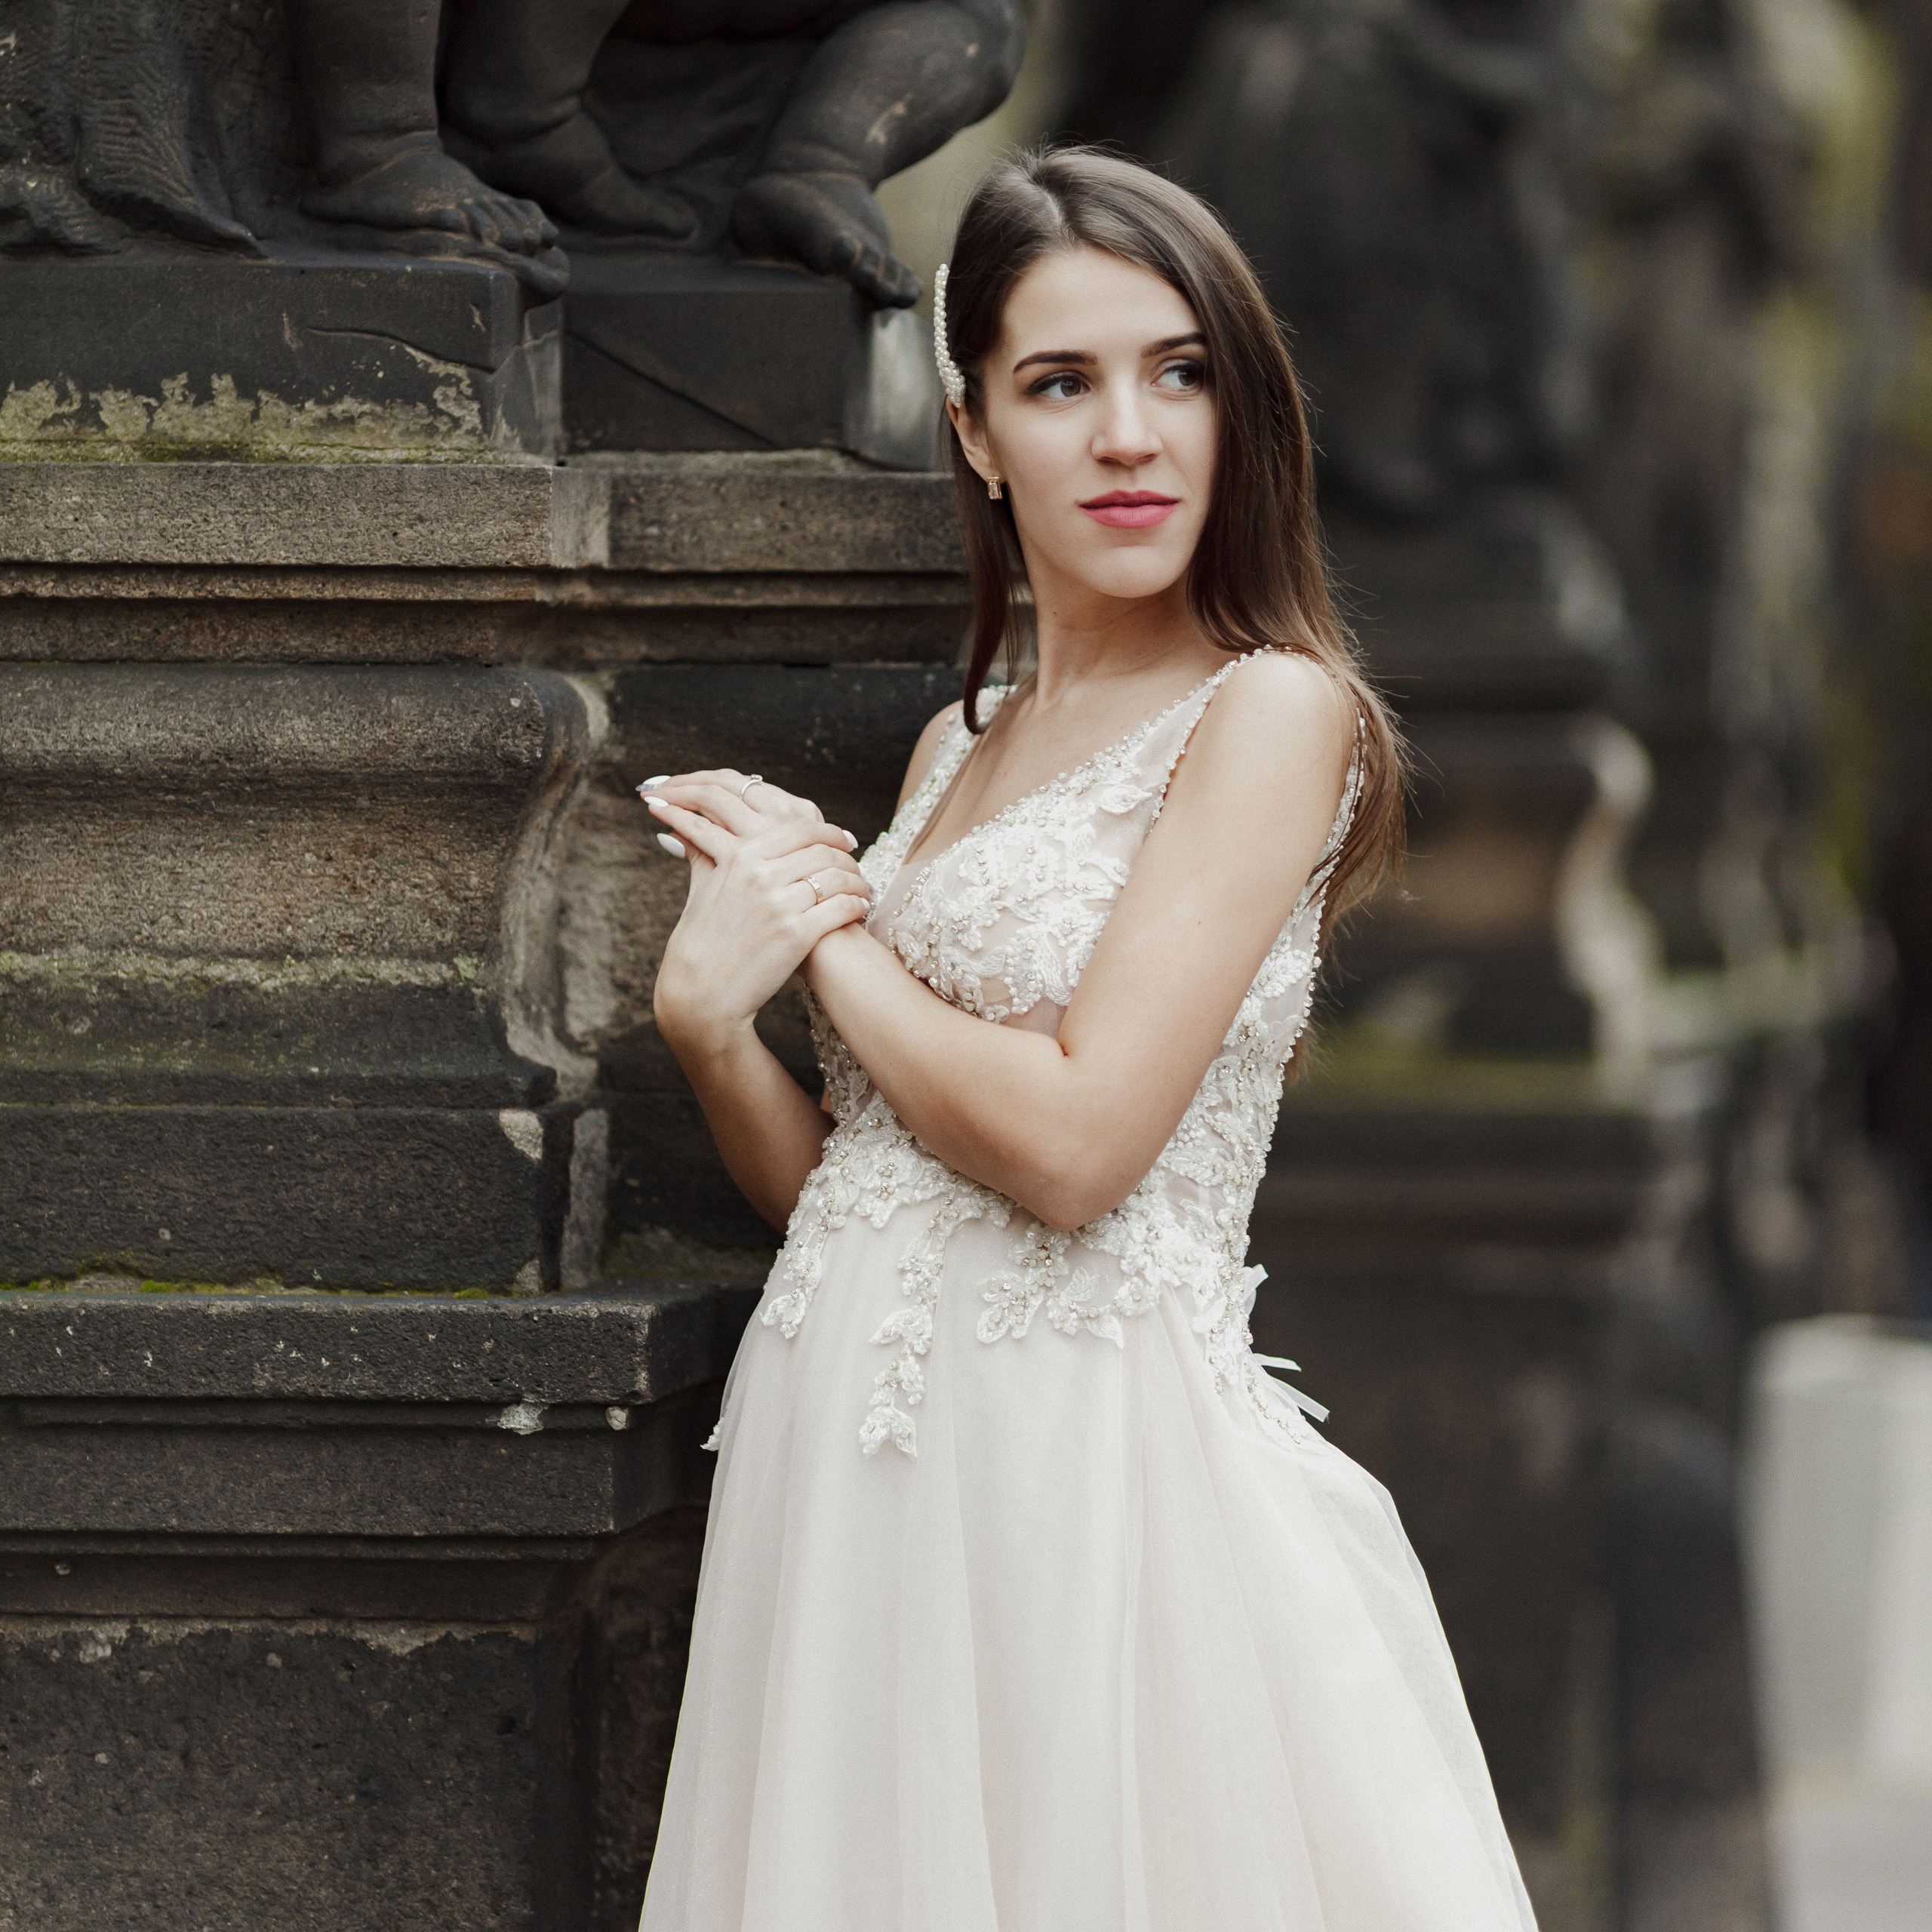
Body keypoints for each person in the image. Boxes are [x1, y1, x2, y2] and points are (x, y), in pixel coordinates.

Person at [634, 147, 1538, 1930]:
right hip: (851, 1482)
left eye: (1177, 370)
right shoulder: (947, 746)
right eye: (1062, 382)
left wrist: (818, 936)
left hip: (1084, 1480)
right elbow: (853, 1181)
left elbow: (1068, 1144)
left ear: (1236, 408)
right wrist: (704, 1023)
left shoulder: (1269, 715)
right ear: (974, 429)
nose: (1130, 433)